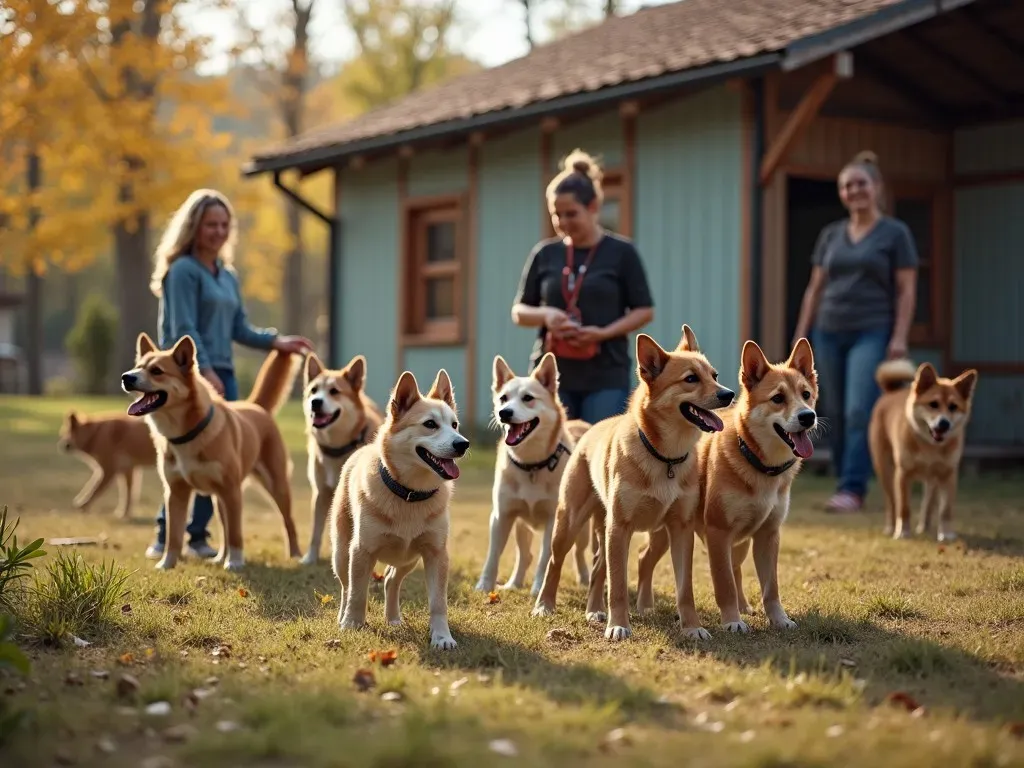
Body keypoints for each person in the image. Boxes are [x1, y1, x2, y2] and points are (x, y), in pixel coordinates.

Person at [144, 188, 313, 560]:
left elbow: (240, 327)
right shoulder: (183, 271)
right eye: (210, 224)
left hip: (225, 374)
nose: (218, 232)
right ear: (194, 227)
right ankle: (165, 536)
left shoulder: (227, 275)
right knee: (183, 457)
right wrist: (203, 372)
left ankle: (198, 536)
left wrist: (276, 342)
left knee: (217, 463)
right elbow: (182, 329)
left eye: (224, 225)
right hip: (189, 378)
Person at [792, 151, 918, 513]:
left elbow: (907, 289)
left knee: (859, 408)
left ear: (876, 187)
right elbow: (815, 288)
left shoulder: (895, 233)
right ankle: (845, 478)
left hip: (872, 330)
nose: (854, 191)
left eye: (860, 183)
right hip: (828, 331)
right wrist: (803, 334)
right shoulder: (831, 234)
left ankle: (852, 487)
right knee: (831, 408)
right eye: (847, 186)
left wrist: (899, 336)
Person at [510, 149, 654, 424]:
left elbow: (644, 310)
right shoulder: (544, 253)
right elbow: (519, 311)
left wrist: (601, 333)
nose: (563, 222)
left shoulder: (622, 252)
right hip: (551, 375)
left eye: (571, 214)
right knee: (551, 456)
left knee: (596, 452)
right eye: (556, 214)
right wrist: (546, 316)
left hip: (606, 375)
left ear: (593, 207)